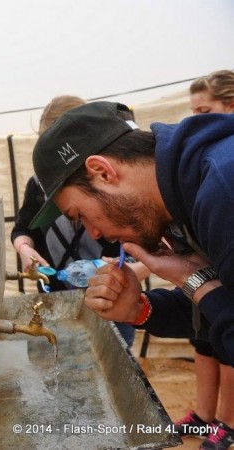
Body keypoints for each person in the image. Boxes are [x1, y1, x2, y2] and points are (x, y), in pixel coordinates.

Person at [28, 100, 234, 449]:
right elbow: (220, 308)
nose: (93, 234)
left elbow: (215, 301)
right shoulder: (185, 193)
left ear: (103, 172)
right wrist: (139, 310)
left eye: (79, 214)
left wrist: (195, 280)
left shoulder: (223, 193)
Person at [12, 95, 146, 347]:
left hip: (112, 304)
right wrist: (26, 249)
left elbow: (151, 252)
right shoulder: (38, 184)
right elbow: (22, 228)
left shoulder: (116, 186)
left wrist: (121, 276)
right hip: (56, 301)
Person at [172, 69, 234, 448]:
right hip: (204, 267)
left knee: (228, 348)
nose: (196, 119)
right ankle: (203, 415)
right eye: (193, 111)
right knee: (205, 342)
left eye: (205, 109)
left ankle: (227, 423)